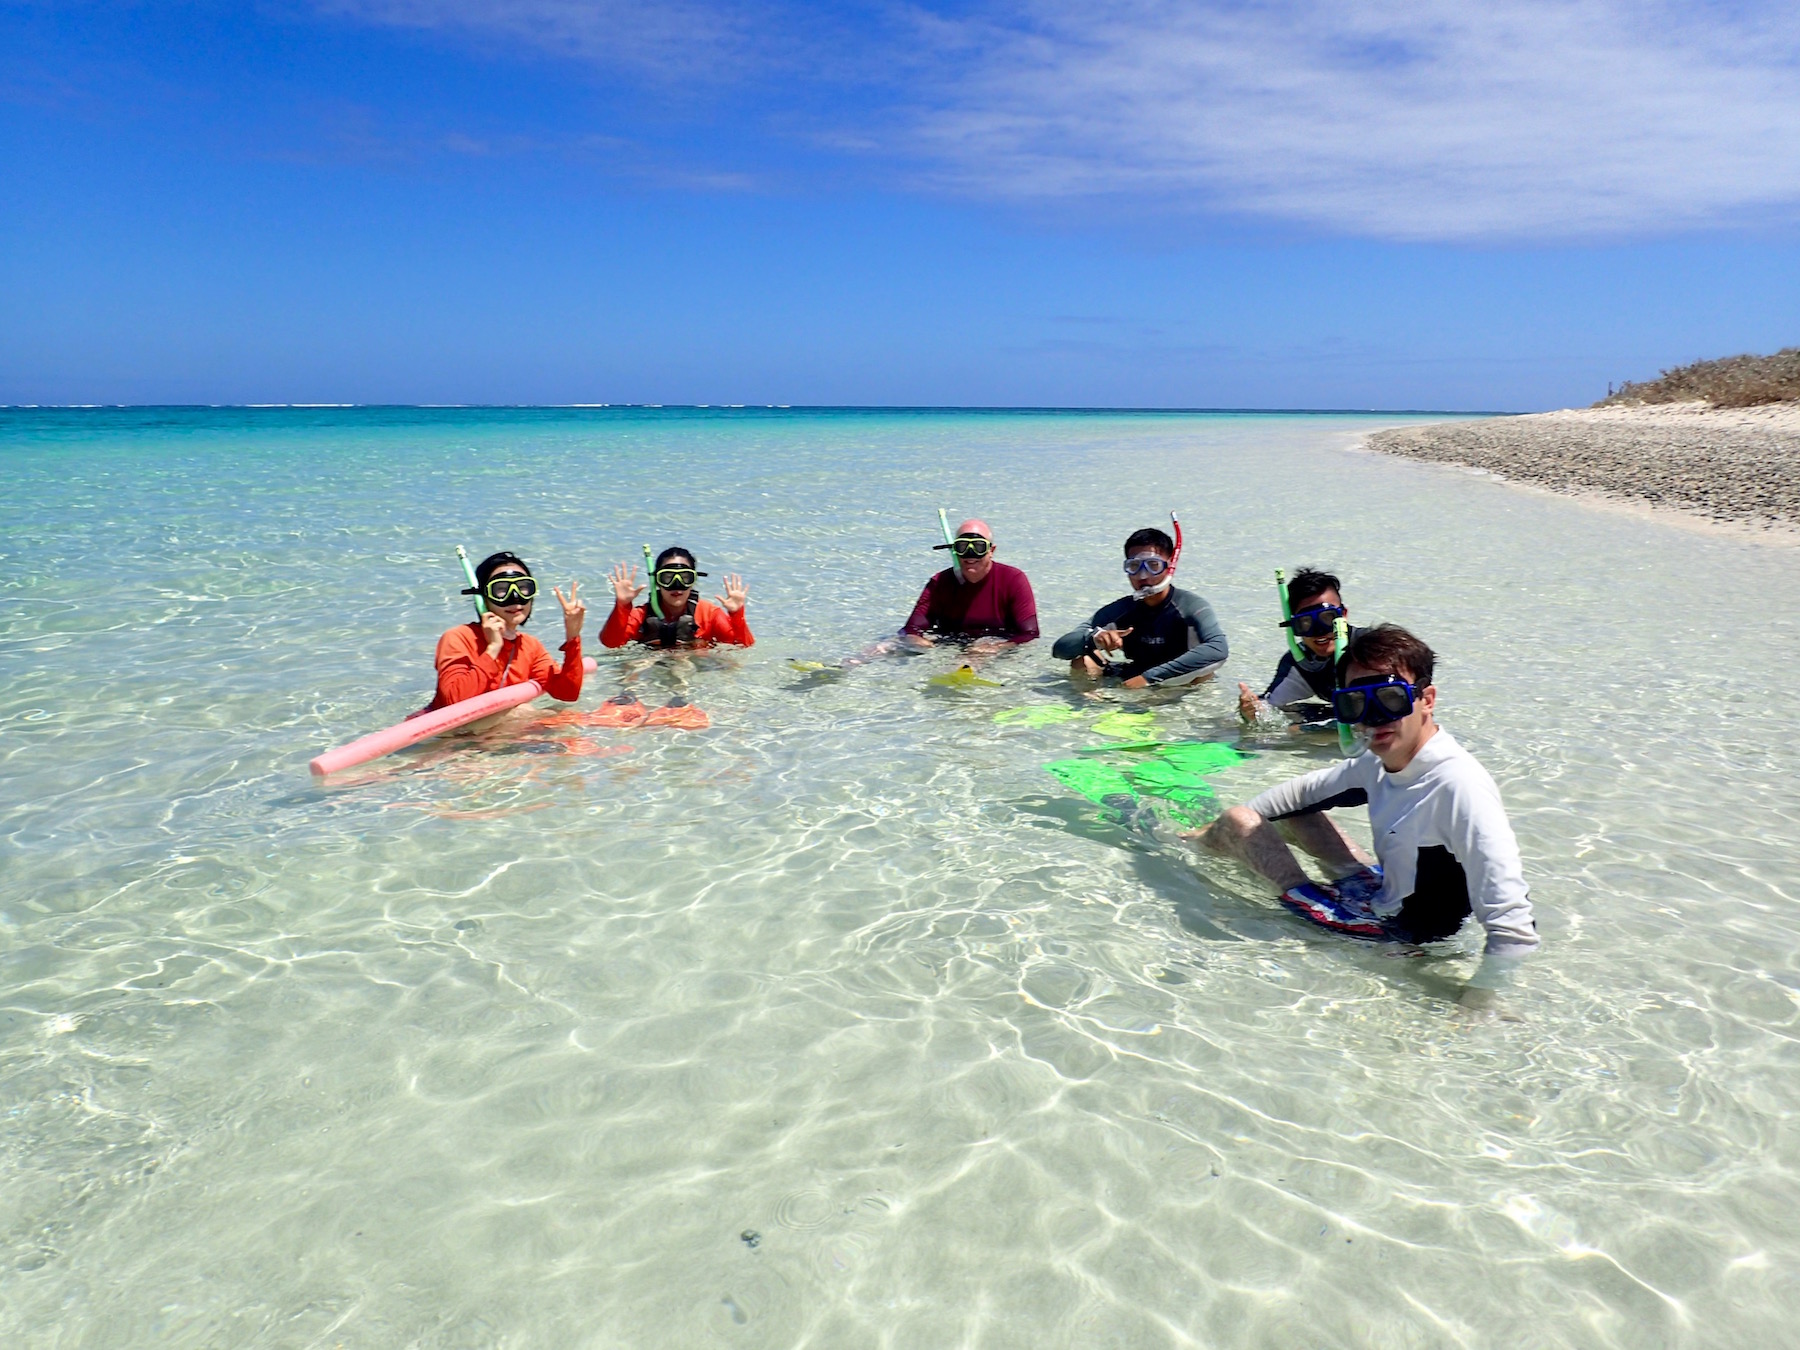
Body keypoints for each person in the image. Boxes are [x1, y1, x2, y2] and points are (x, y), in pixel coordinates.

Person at [1200, 624, 1538, 990]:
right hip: (1382, 896)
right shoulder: (1379, 762)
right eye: (1355, 703)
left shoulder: (1459, 787)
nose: (1373, 717)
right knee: (1285, 817)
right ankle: (1203, 839)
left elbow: (1514, 928)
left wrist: (1480, 1004)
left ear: (1427, 699)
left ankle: (1181, 849)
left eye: (1389, 698)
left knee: (1238, 820)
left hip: (1396, 936)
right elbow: (1298, 796)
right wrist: (1217, 831)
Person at [1051, 527, 1227, 688]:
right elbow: (1060, 650)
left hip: (1177, 682)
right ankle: (1091, 706)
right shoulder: (1121, 610)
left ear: (1170, 566)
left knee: (1204, 675)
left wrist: (1148, 679)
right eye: (1134, 567)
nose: (1143, 576)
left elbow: (1218, 648)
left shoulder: (1191, 606)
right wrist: (1094, 638)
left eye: (1153, 565)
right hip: (1134, 678)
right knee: (1083, 661)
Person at [427, 551, 587, 710]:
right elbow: (453, 702)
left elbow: (568, 693)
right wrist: (493, 648)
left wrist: (573, 637)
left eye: (524, 587)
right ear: (483, 597)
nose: (515, 597)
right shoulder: (459, 638)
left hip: (491, 730)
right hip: (449, 733)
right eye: (501, 589)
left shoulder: (530, 646)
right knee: (526, 712)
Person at [1238, 567, 1361, 726]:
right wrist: (1251, 711)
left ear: (1343, 615)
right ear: (1293, 626)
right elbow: (1268, 708)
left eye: (1328, 618)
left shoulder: (1371, 650)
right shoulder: (1301, 664)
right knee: (1287, 716)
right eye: (1306, 623)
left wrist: (1311, 733)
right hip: (1343, 715)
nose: (1319, 631)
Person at [900, 518, 1039, 650]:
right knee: (885, 647)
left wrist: (996, 649)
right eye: (963, 546)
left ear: (991, 550)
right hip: (950, 647)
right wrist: (916, 641)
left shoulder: (1013, 579)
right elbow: (911, 629)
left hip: (997, 649)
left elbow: (1030, 634)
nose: (970, 554)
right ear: (955, 550)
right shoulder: (940, 582)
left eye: (978, 547)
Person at [601, 547, 753, 649]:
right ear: (656, 581)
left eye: (685, 578)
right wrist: (622, 606)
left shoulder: (709, 614)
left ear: (693, 580)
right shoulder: (641, 615)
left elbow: (742, 647)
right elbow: (611, 643)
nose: (676, 585)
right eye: (667, 577)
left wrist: (737, 614)